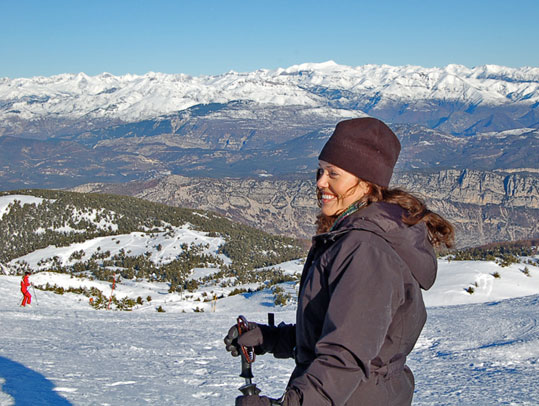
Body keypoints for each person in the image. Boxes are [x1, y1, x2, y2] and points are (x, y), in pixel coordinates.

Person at [224, 117, 455, 405]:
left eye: (334, 174)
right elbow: (341, 328)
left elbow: (344, 357)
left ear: (367, 183)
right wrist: (269, 338)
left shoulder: (366, 250)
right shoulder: (355, 236)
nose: (320, 182)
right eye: (320, 171)